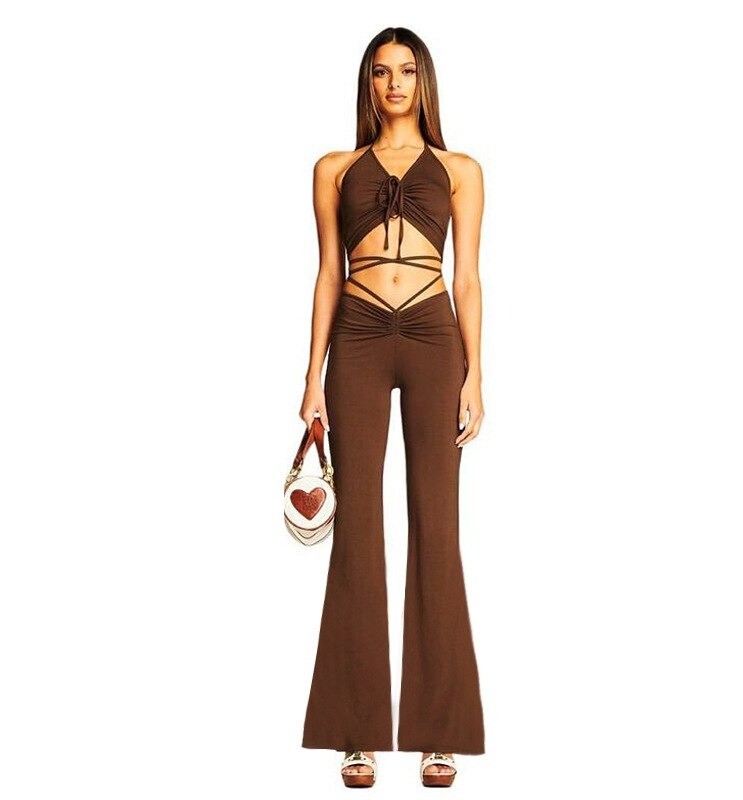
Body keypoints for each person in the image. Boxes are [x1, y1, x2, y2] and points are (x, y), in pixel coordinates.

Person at [298, 26, 485, 788]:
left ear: (424, 81)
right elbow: (327, 273)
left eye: (407, 71)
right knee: (358, 531)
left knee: (437, 525)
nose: (395, 83)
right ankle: (357, 733)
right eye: (381, 72)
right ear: (368, 83)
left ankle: (440, 732)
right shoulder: (334, 169)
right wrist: (312, 378)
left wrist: (476, 374)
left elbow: (467, 277)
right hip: (360, 334)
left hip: (435, 335)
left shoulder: (461, 170)